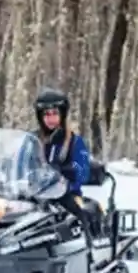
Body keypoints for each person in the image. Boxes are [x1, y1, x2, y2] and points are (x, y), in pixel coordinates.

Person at [33, 87, 95, 241]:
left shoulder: (73, 141)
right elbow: (19, 163)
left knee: (77, 214)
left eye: (54, 113)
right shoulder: (32, 140)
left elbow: (83, 169)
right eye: (46, 114)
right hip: (33, 194)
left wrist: (71, 172)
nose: (50, 118)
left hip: (65, 194)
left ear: (62, 115)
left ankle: (88, 249)